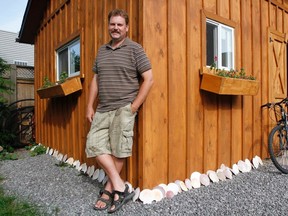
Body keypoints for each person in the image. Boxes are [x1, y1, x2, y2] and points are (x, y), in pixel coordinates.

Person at [85, 9, 153, 213]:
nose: (115, 28)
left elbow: (149, 79)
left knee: (118, 150)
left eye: (119, 25)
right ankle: (120, 187)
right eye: (112, 24)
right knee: (94, 145)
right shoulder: (102, 50)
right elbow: (95, 80)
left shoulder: (135, 49)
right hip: (103, 109)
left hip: (124, 108)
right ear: (108, 26)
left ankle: (109, 191)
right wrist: (89, 105)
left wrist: (133, 107)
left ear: (127, 28)